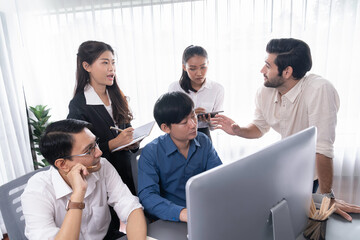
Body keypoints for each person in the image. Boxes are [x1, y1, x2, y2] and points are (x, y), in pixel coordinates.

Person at [211, 38, 360, 221]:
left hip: (311, 176)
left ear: (287, 71)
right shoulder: (264, 92)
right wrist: (238, 130)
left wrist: (327, 197)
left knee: (311, 225)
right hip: (287, 171)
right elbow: (259, 127)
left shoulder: (319, 89)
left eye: (267, 66)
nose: (262, 71)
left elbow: (323, 149)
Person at [21, 119, 147, 240]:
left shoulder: (102, 166)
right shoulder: (37, 192)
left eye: (95, 144)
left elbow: (131, 207)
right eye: (89, 150)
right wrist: (78, 194)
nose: (99, 152)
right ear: (62, 164)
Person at [138, 92, 222, 222]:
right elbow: (148, 196)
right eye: (184, 122)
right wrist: (182, 213)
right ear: (165, 128)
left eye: (193, 116)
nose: (193, 125)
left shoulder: (203, 141)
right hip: (171, 219)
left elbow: (219, 177)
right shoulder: (151, 152)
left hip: (205, 212)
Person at [67, 40, 137, 195]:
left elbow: (125, 132)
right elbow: (79, 151)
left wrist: (132, 142)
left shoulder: (117, 96)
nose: (111, 68)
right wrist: (113, 144)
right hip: (101, 178)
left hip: (126, 172)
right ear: (87, 66)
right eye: (105, 63)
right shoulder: (79, 104)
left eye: (113, 63)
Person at [168, 45, 224, 140]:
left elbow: (214, 127)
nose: (199, 73)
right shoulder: (175, 88)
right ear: (184, 67)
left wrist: (210, 121)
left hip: (204, 135)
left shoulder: (217, 89)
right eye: (193, 68)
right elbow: (170, 121)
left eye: (203, 67)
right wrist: (190, 115)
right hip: (180, 137)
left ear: (208, 64)